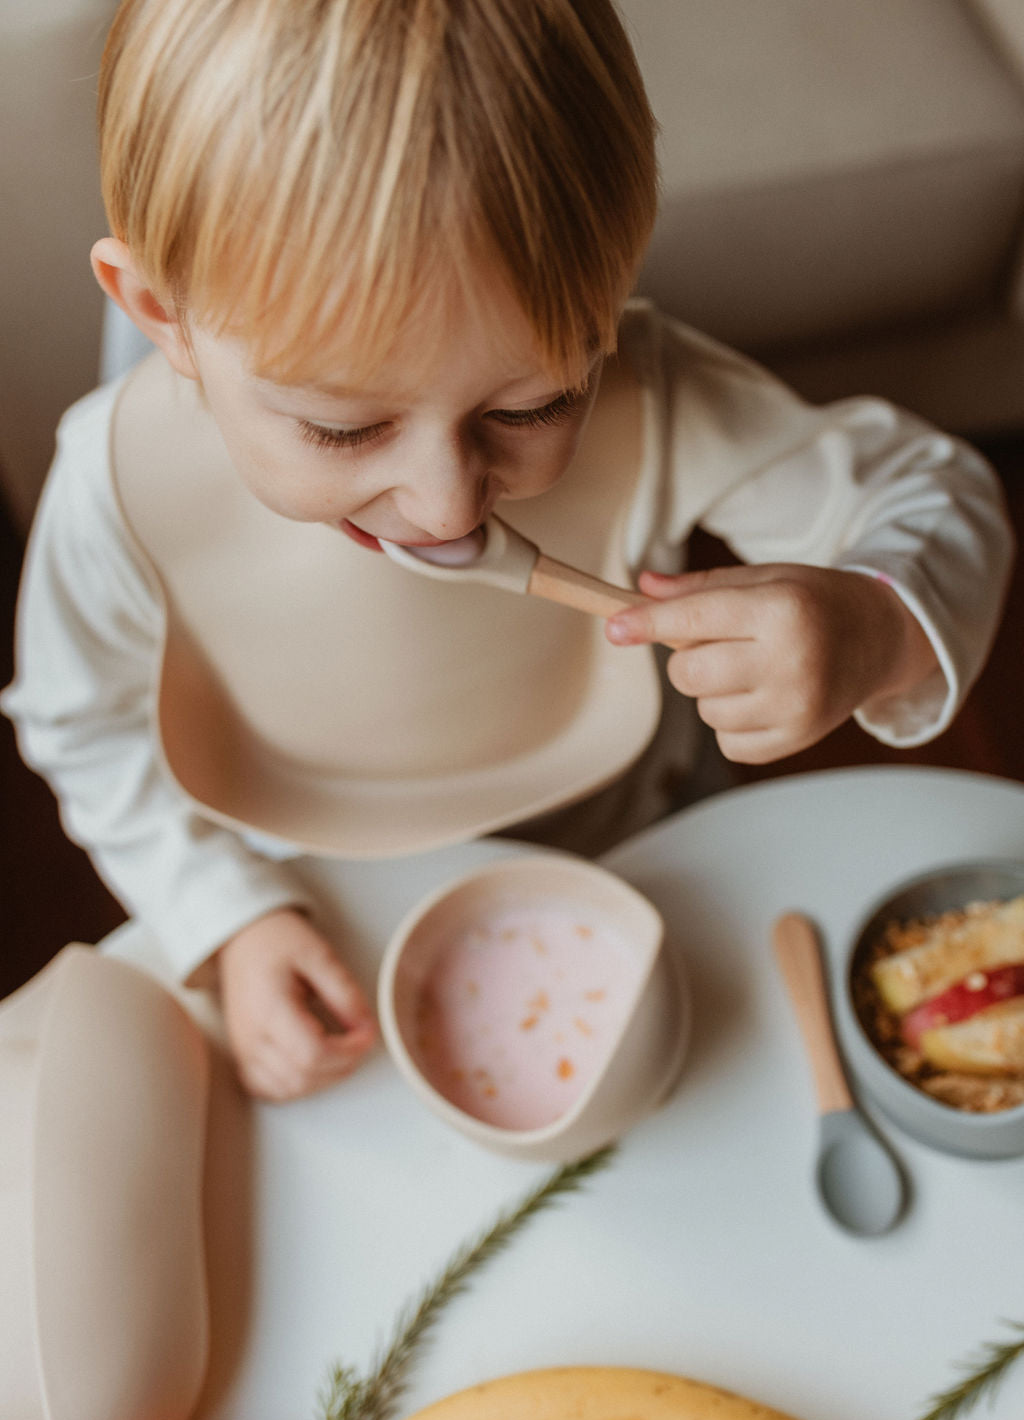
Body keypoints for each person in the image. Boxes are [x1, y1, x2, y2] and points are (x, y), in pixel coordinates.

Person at [3, 0, 1012, 1102]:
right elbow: (81, 726)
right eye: (345, 428)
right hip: (318, 910)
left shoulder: (653, 399)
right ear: (163, 315)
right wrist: (223, 915)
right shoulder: (115, 488)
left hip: (633, 846)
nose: (443, 506)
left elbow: (932, 492)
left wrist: (874, 622)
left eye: (534, 406)